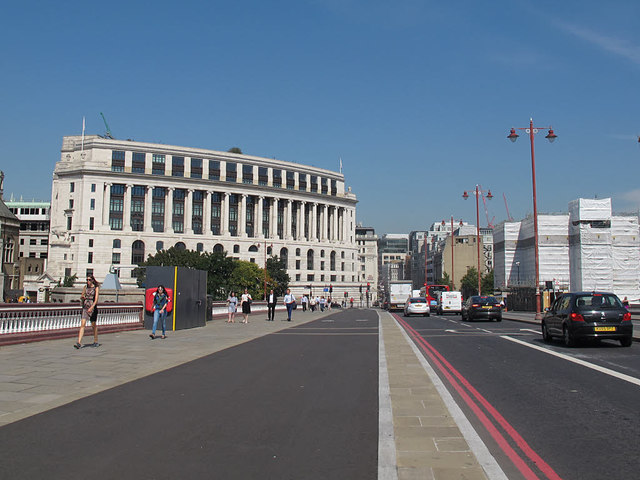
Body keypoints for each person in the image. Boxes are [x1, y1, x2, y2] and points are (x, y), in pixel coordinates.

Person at [75, 274, 100, 349]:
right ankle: (79, 342)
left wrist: (92, 307)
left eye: (89, 280)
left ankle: (95, 340)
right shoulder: (85, 287)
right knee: (82, 324)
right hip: (85, 307)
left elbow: (96, 300)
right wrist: (83, 298)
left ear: (92, 280)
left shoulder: (96, 288)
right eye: (87, 280)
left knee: (93, 325)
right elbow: (82, 296)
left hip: (92, 307)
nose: (88, 281)